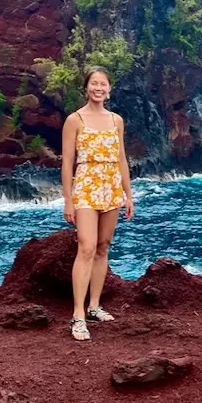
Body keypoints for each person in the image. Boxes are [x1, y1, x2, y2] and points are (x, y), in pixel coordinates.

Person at [61, 66, 134, 341]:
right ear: (87, 87)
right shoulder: (75, 120)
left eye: (103, 84)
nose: (98, 88)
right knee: (87, 246)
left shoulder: (116, 120)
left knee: (103, 247)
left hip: (111, 186)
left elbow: (122, 159)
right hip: (86, 186)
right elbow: (67, 163)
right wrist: (68, 200)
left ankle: (94, 306)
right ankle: (78, 315)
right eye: (94, 83)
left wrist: (129, 194)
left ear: (109, 89)